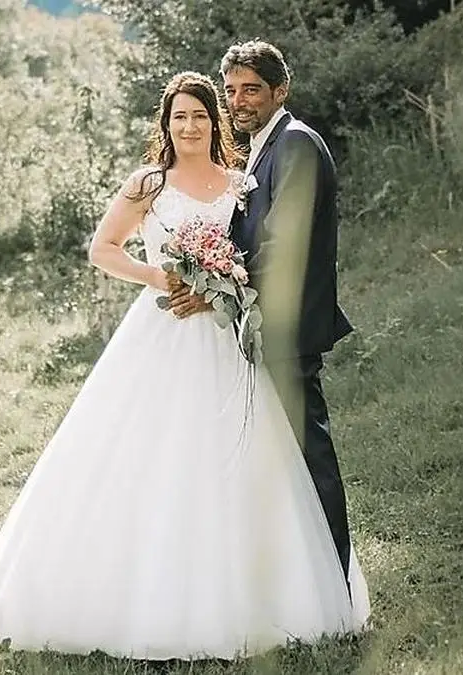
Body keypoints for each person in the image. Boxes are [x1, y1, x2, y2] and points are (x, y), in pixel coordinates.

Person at [0, 71, 369, 661]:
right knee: (145, 454)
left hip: (225, 336)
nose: (191, 125)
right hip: (162, 329)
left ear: (214, 121)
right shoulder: (148, 182)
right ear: (166, 124)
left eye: (201, 115)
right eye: (180, 117)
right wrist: (158, 276)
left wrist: (221, 281)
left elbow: (258, 251)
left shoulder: (239, 183)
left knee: (240, 458)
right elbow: (103, 248)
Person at [169, 40, 358, 594]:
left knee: (308, 454)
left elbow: (281, 243)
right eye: (230, 91)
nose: (238, 100)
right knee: (279, 459)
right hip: (260, 323)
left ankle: (334, 586)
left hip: (288, 325)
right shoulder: (260, 148)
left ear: (281, 90)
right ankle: (298, 581)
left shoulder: (296, 144)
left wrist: (217, 286)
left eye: (250, 89)